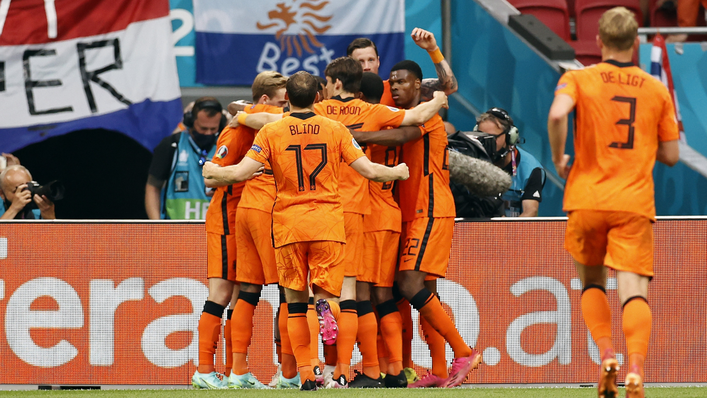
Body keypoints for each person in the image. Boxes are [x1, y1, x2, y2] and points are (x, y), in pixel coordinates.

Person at [234, 57, 448, 389]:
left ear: (332, 84)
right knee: (363, 295)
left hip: (294, 217)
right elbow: (415, 119)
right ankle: (357, 370)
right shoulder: (370, 112)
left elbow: (258, 118)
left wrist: (240, 112)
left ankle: (302, 371)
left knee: (295, 298)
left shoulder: (311, 115)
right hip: (353, 212)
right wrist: (438, 98)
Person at [203, 71, 410, 391]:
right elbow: (368, 169)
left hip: (288, 224)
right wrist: (397, 171)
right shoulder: (335, 129)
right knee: (327, 296)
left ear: (289, 101)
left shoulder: (271, 131)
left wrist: (213, 171)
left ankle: (306, 372)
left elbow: (240, 173)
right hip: (327, 222)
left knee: (295, 304)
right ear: (318, 98)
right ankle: (329, 310)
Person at [548, 7, 679, 398]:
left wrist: (559, 157)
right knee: (634, 292)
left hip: (586, 199)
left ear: (599, 42)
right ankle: (636, 368)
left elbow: (557, 115)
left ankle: (607, 356)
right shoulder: (655, 89)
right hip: (633, 202)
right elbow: (672, 155)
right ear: (635, 42)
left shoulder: (578, 78)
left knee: (591, 283)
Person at [352, 60, 483, 389]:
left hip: (430, 208)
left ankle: (463, 351)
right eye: (392, 82)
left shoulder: (428, 114)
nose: (395, 86)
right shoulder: (390, 108)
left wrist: (350, 136)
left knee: (409, 284)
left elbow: (401, 136)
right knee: (425, 292)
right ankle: (439, 369)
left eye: (402, 82)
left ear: (418, 87)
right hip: (409, 211)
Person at [191, 73, 288, 390]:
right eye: (280, 101)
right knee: (220, 294)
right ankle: (204, 370)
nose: (283, 108)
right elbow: (211, 177)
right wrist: (243, 173)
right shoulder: (236, 131)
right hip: (225, 217)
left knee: (239, 296)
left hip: (243, 215)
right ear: (264, 102)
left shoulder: (257, 127)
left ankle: (237, 372)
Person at [145, 97, 225, 220]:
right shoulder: (171, 145)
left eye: (213, 129)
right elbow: (153, 187)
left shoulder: (227, 147)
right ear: (190, 121)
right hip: (174, 233)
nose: (208, 133)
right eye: (203, 128)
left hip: (215, 233)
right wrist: (157, 226)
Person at [347, 27, 458, 106]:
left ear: (378, 62)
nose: (367, 67)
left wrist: (433, 50)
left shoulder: (395, 89)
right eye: (360, 62)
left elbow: (449, 87)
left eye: (371, 60)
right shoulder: (340, 95)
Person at [474, 108, 546, 217]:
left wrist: (507, 231)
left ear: (510, 137)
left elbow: (530, 211)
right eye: (482, 137)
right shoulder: (471, 161)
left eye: (492, 138)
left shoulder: (531, 169)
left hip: (514, 231)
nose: (486, 143)